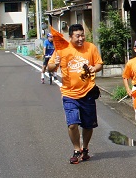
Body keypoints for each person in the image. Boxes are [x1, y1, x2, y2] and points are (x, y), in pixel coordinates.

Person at [44, 23, 103, 164]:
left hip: (88, 92)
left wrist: (94, 68)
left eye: (82, 35)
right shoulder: (62, 49)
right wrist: (55, 63)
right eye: (77, 36)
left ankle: (85, 148)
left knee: (88, 125)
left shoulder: (91, 48)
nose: (81, 38)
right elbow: (50, 67)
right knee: (72, 124)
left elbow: (99, 64)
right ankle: (77, 149)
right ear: (70, 36)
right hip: (69, 93)